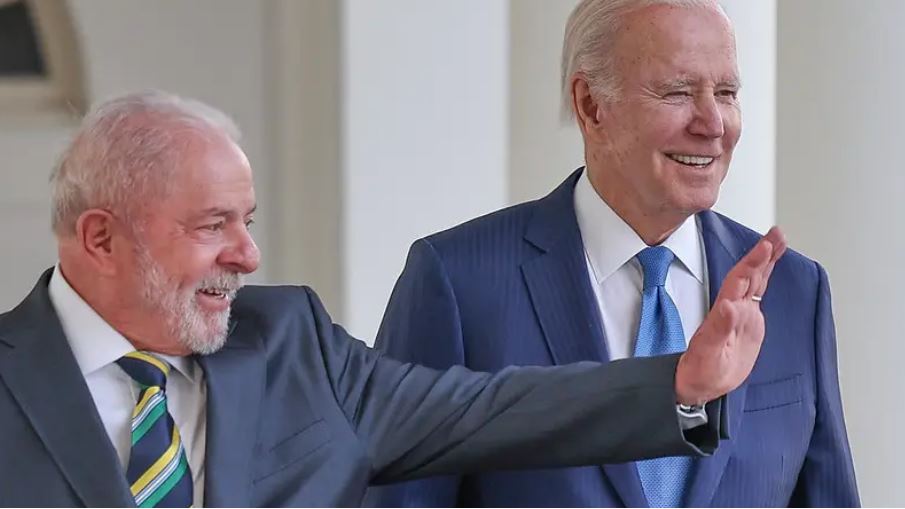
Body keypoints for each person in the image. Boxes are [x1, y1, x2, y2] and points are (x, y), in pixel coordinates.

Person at [0, 90, 781, 508]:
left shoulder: (289, 341)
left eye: (248, 220)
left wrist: (678, 384)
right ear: (100, 239)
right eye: (213, 226)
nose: (247, 254)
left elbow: (489, 407)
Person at [366, 0, 858, 507]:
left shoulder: (795, 289)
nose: (713, 124)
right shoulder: (458, 284)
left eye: (727, 93)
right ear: (591, 105)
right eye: (678, 92)